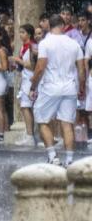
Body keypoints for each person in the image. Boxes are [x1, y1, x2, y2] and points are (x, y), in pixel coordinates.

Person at [29, 15, 86, 167]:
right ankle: (69, 160)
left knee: (42, 120)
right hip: (69, 87)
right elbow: (81, 70)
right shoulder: (74, 44)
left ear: (49, 25)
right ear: (62, 25)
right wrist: (81, 87)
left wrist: (33, 86)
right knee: (67, 124)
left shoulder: (45, 43)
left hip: (50, 87)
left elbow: (40, 67)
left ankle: (53, 156)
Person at [12, 24, 39, 147]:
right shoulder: (24, 46)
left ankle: (30, 136)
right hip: (25, 79)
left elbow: (32, 66)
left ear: (29, 34)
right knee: (25, 107)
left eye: (23, 32)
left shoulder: (32, 47)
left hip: (31, 79)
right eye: (20, 32)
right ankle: (29, 134)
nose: (20, 34)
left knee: (26, 107)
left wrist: (18, 60)